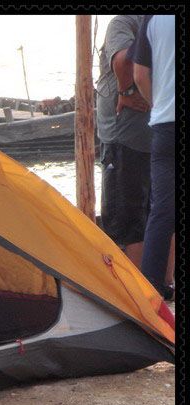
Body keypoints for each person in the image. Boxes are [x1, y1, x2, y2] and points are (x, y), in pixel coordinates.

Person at [95, 15, 151, 269]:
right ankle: (163, 284)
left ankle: (131, 297)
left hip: (125, 135)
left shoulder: (123, 22)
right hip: (153, 132)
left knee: (125, 222)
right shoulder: (163, 23)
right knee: (155, 212)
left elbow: (122, 59)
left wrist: (126, 91)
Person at [130, 15, 175, 300]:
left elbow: (139, 74)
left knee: (162, 212)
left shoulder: (153, 18)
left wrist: (157, 105)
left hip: (164, 126)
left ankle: (150, 293)